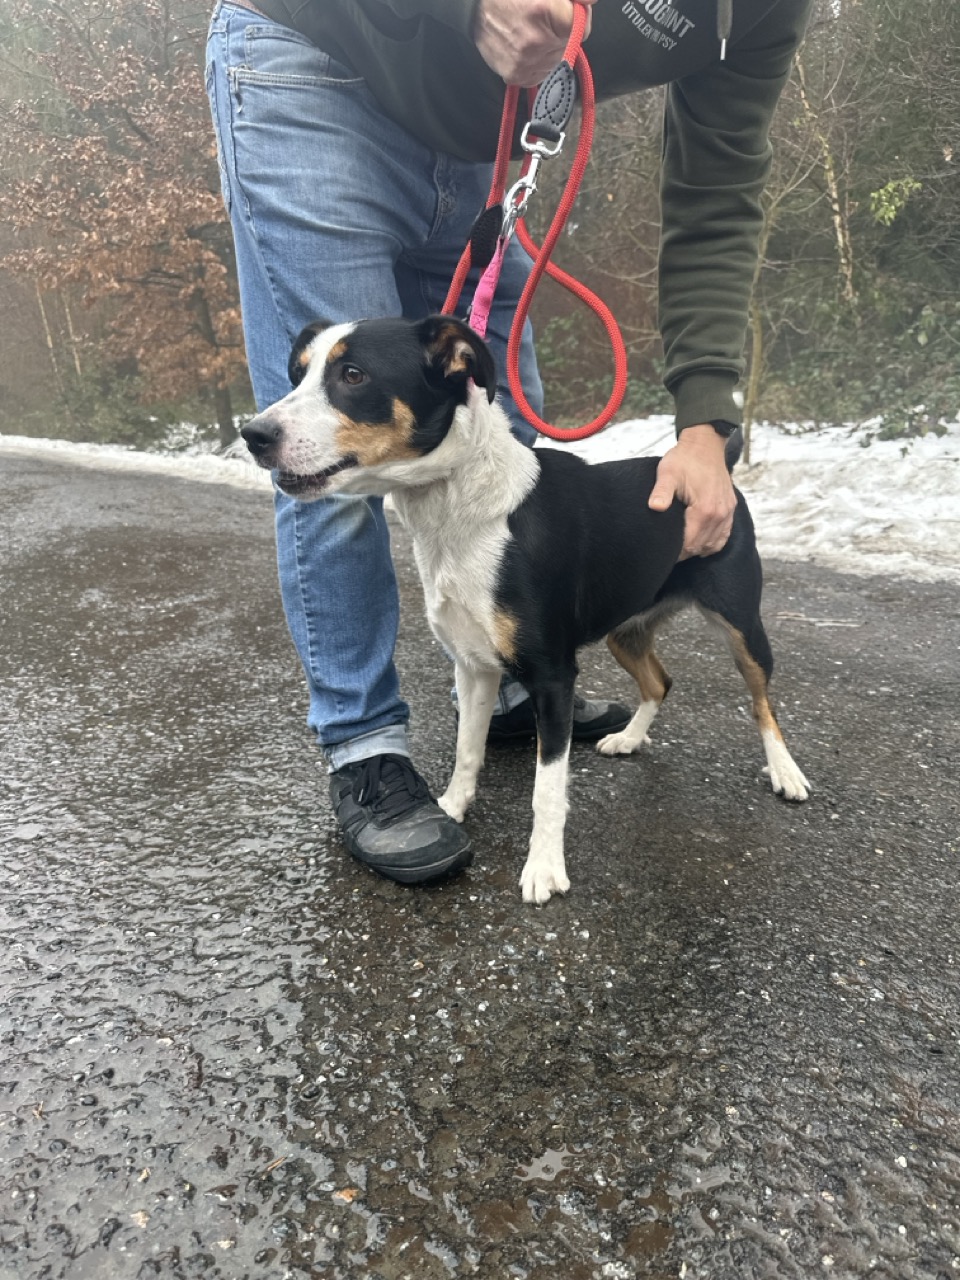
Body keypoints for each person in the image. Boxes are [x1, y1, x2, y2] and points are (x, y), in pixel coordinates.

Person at [205, 0, 812, 885]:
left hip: (485, 141)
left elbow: (718, 193)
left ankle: (523, 667)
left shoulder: (764, 12)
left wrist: (707, 420)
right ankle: (366, 747)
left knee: (498, 434)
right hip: (314, 64)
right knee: (327, 457)